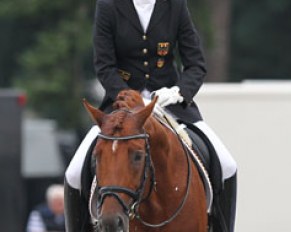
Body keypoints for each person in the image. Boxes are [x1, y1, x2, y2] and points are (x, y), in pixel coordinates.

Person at [64, 0, 237, 231]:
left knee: (227, 165)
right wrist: (129, 97)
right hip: (120, 107)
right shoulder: (108, 6)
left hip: (170, 105)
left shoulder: (175, 5)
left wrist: (178, 92)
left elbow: (196, 64)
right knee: (74, 173)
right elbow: (104, 66)